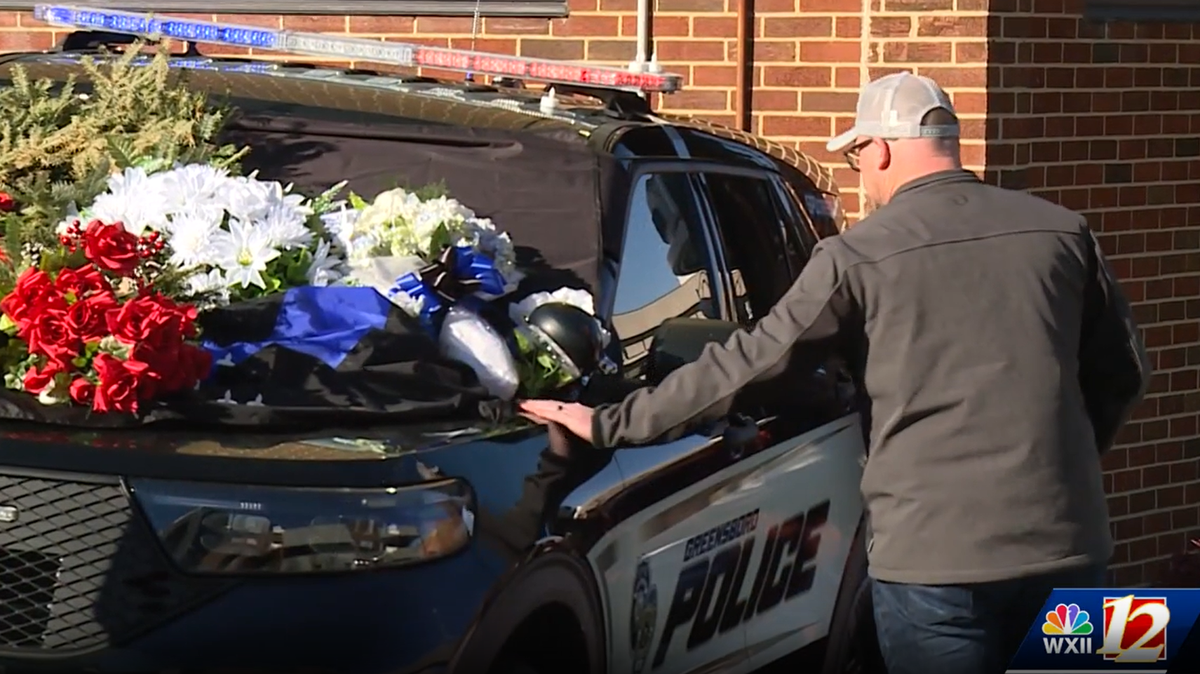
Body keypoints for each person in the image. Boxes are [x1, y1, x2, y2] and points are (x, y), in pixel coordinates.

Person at [518, 71, 1151, 674]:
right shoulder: (1063, 233)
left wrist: (608, 423)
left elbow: (747, 364)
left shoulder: (858, 256)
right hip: (1074, 552)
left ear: (879, 151)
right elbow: (1123, 373)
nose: (861, 178)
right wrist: (1065, 468)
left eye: (856, 158)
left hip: (934, 565)